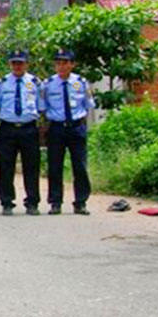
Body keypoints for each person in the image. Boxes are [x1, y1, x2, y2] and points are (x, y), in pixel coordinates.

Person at [43, 49, 94, 215]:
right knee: (55, 166)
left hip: (76, 127)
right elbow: (44, 107)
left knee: (79, 165)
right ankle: (55, 202)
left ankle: (80, 202)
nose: (61, 66)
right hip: (57, 128)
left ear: (72, 64)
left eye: (65, 62)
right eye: (58, 63)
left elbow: (87, 105)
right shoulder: (48, 84)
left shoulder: (81, 83)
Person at [0, 50, 43, 216]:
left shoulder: (35, 82)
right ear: (10, 64)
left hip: (28, 128)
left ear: (26, 64)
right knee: (6, 167)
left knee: (31, 166)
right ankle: (7, 202)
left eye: (20, 63)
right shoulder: (1, 83)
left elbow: (41, 106)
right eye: (14, 63)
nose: (17, 66)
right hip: (7, 128)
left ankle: (32, 202)